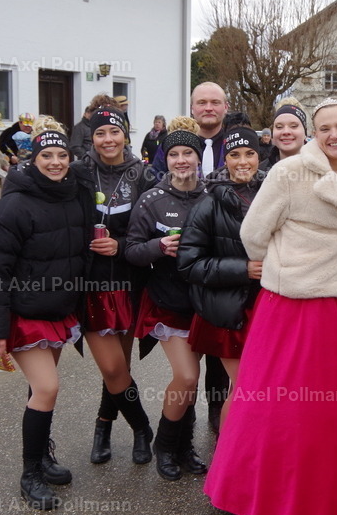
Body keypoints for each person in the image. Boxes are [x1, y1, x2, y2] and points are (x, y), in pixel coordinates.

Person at [204, 98, 337, 515]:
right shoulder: (289, 172)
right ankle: (265, 500)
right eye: (324, 128)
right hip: (290, 305)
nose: (334, 135)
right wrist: (288, 266)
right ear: (313, 134)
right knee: (279, 408)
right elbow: (253, 234)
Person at [0, 129, 89, 510]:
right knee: (47, 387)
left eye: (62, 155)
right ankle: (29, 474)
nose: (56, 163)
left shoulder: (73, 195)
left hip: (57, 309)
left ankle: (43, 456)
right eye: (47, 156)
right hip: (22, 314)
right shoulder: (12, 207)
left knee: (39, 390)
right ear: (34, 160)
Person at [70, 106, 157, 466]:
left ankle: (104, 425)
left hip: (129, 281)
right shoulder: (77, 172)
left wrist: (120, 245)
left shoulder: (143, 174)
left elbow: (151, 227)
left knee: (120, 365)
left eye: (114, 132)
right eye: (100, 133)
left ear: (125, 135)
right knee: (111, 368)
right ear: (92, 137)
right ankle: (141, 427)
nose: (108, 140)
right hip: (91, 283)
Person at [124, 130, 207, 481]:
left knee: (192, 380)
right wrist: (159, 247)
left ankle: (184, 447)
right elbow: (131, 250)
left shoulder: (212, 195)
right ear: (166, 159)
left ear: (199, 158)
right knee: (186, 376)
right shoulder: (152, 199)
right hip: (167, 303)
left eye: (188, 153)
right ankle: (165, 444)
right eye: (174, 154)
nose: (181, 160)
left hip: (203, 304)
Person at [178, 126, 263, 428]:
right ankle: (228, 453)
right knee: (244, 390)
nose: (243, 162)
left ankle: (251, 450)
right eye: (235, 155)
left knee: (262, 390)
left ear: (259, 156)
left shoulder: (272, 193)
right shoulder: (208, 204)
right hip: (228, 312)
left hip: (266, 309)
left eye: (250, 153)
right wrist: (243, 269)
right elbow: (189, 264)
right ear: (225, 159)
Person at [190, 82, 229, 171]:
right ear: (192, 108)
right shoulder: (174, 147)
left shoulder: (239, 145)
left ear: (226, 107)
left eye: (215, 103)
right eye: (202, 103)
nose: (208, 108)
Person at [70, 94, 117, 160]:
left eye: (114, 132)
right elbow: (75, 146)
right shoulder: (79, 127)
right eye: (100, 133)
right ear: (84, 114)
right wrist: (88, 156)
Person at [265, 99, 307, 169]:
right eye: (279, 127)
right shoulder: (260, 171)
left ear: (305, 132)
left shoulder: (322, 168)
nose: (286, 132)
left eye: (294, 126)